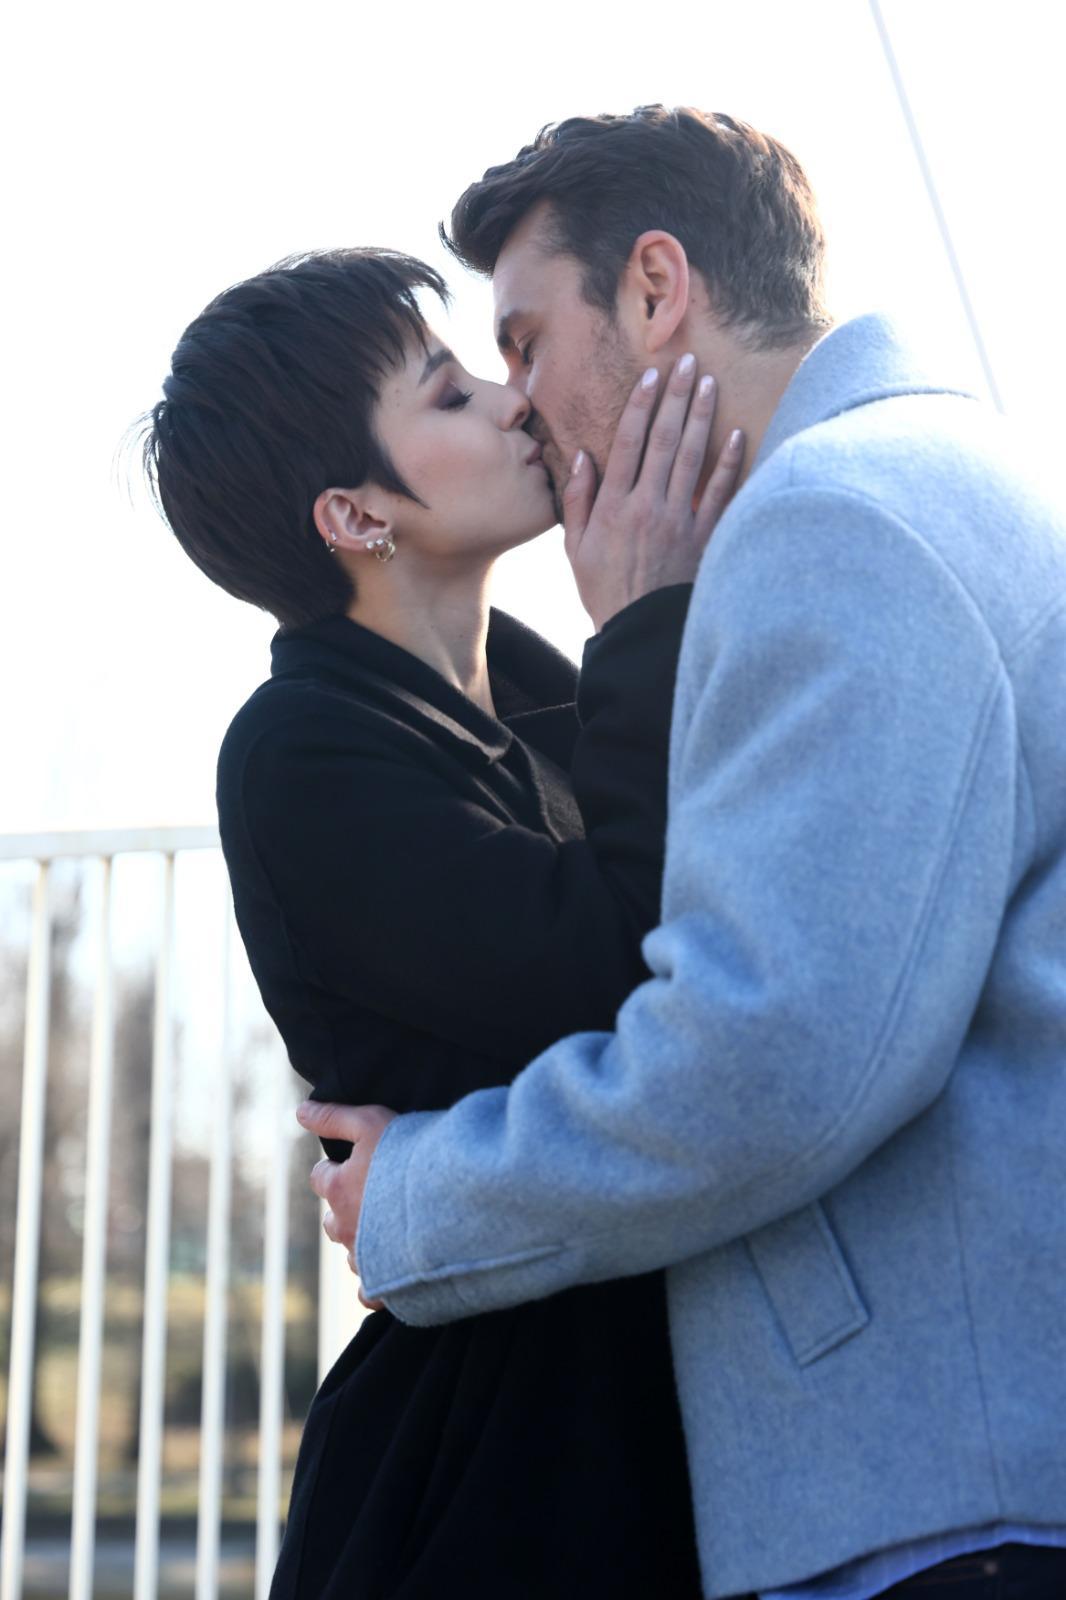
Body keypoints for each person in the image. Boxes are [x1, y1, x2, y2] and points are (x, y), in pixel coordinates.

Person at [300, 108, 1066, 1600]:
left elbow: (769, 1056)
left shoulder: (834, 524)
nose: (520, 406)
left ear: (656, 289)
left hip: (948, 1505)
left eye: (524, 344)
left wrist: (418, 1196)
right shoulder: (955, 475)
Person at [142, 245, 745, 1597]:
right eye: (450, 394)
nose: (512, 399)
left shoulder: (533, 685)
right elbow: (629, 970)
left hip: (665, 1398)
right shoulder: (302, 752)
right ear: (355, 514)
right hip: (502, 1462)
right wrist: (646, 614)